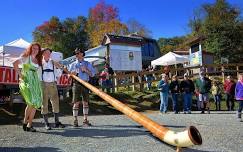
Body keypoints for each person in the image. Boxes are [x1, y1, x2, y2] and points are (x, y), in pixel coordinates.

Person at [13, 42, 43, 132]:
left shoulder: (38, 60)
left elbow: (37, 72)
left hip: (35, 83)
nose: (35, 50)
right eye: (33, 48)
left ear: (39, 50)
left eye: (37, 49)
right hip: (27, 82)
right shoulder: (26, 57)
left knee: (35, 104)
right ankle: (25, 122)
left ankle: (29, 125)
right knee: (30, 102)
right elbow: (14, 63)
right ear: (30, 49)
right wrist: (20, 75)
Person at [68, 48, 96, 127]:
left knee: (85, 102)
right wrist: (71, 74)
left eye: (78, 53)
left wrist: (86, 70)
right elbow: (68, 76)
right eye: (75, 53)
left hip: (86, 84)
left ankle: (85, 120)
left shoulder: (88, 64)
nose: (76, 55)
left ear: (82, 54)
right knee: (76, 102)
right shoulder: (73, 64)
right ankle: (75, 121)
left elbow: (93, 74)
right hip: (76, 84)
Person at [41, 48, 65, 130]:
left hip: (53, 84)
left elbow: (59, 75)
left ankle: (56, 122)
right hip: (43, 85)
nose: (48, 54)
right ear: (43, 54)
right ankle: (46, 123)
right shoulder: (40, 63)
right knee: (44, 104)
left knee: (55, 103)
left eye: (49, 53)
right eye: (46, 53)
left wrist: (58, 67)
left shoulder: (53, 63)